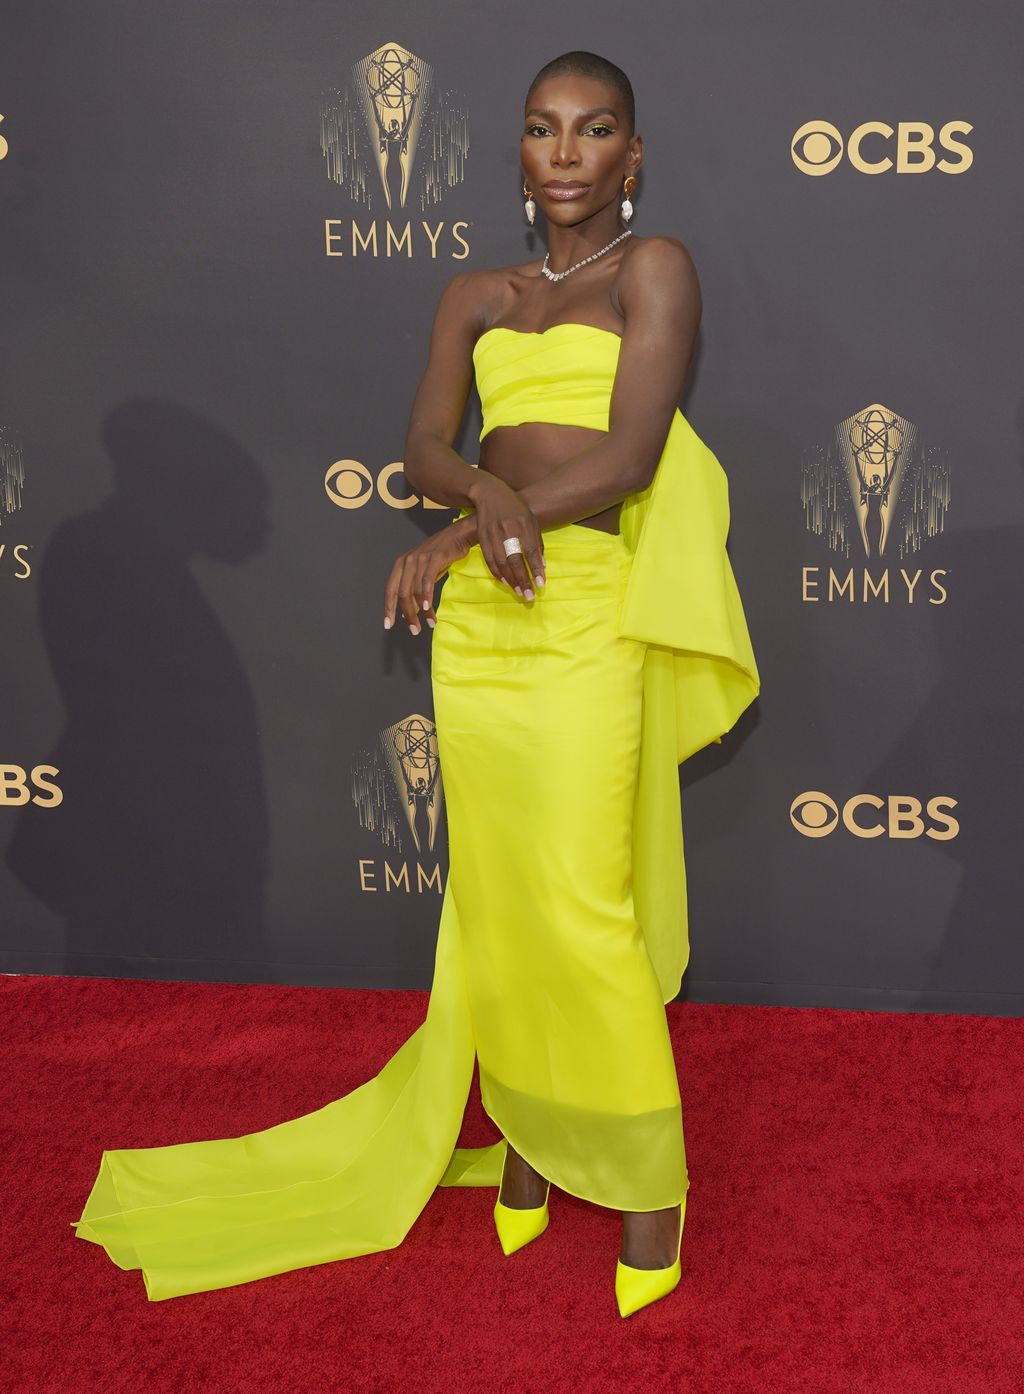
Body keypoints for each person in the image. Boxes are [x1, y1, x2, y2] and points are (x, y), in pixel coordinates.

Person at [70, 51, 760, 1317]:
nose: (564, 152)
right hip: (482, 630)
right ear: (516, 151)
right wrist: (477, 498)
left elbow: (629, 453)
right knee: (498, 898)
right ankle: (538, 1145)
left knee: (580, 894)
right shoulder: (473, 294)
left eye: (593, 130)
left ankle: (646, 1178)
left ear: (631, 156)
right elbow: (425, 444)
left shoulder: (652, 271)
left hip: (583, 605)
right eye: (542, 130)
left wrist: (461, 531)